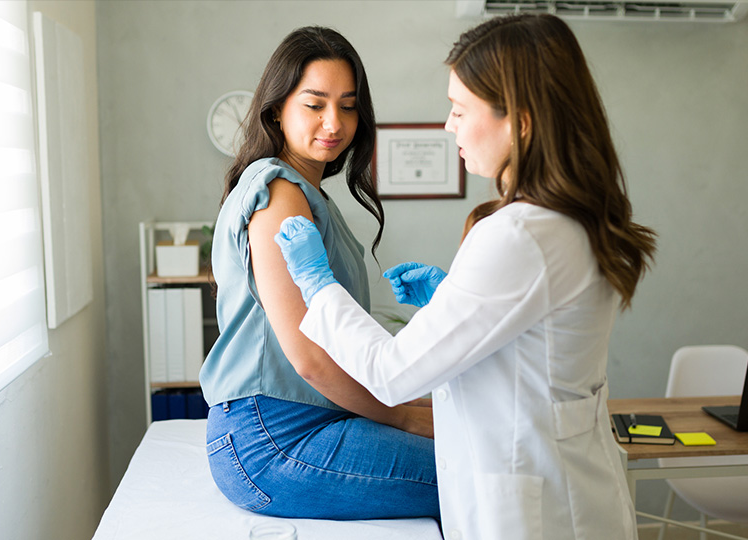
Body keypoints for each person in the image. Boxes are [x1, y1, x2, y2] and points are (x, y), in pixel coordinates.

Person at [275, 14, 657, 540]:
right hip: (572, 493)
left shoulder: (517, 234)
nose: (449, 125)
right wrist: (448, 302)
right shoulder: (571, 219)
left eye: (459, 109)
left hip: (535, 512)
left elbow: (391, 374)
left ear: (519, 121)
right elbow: (528, 341)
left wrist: (318, 285)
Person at [199, 26, 439, 520]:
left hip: (309, 420)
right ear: (277, 110)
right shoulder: (281, 196)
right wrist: (404, 418)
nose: (334, 122)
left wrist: (416, 403)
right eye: (315, 104)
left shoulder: (306, 192)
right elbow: (308, 358)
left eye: (348, 106)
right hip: (273, 439)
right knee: (477, 471)